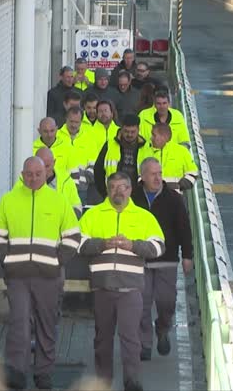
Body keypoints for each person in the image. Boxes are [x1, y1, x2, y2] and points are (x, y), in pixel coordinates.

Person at [0, 157, 81, 390]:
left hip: (48, 277)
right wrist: (7, 260)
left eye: (38, 174)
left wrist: (57, 261)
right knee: (18, 324)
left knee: (46, 326)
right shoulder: (9, 200)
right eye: (29, 174)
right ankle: (16, 373)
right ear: (22, 174)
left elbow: (73, 236)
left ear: (46, 173)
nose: (33, 178)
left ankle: (43, 374)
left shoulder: (59, 201)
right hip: (17, 276)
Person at [77, 172, 165, 391]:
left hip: (131, 289)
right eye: (114, 187)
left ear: (130, 189)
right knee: (102, 339)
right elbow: (78, 244)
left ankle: (132, 382)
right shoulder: (93, 215)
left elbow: (158, 247)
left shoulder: (144, 217)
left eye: (123, 187)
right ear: (108, 190)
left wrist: (133, 245)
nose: (118, 191)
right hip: (102, 288)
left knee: (130, 338)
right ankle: (103, 383)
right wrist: (102, 244)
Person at [131, 158, 193, 361]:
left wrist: (187, 256)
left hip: (167, 258)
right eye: (153, 174)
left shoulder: (173, 198)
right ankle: (144, 343)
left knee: (166, 301)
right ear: (142, 176)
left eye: (160, 173)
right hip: (140, 259)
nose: (158, 178)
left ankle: (163, 328)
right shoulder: (132, 197)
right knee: (142, 303)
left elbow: (184, 228)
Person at [94, 114, 146, 198]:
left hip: (139, 196)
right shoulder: (109, 145)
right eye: (126, 131)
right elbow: (98, 170)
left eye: (133, 132)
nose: (129, 135)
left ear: (138, 129)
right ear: (121, 129)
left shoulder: (146, 147)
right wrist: (105, 193)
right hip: (113, 195)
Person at [136, 124, 199, 193]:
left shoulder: (181, 151)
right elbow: (137, 174)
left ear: (164, 137)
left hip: (174, 196)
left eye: (154, 135)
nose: (151, 138)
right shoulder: (142, 151)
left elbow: (193, 173)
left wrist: (180, 186)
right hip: (150, 196)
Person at [35, 147, 82, 217]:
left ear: (54, 163)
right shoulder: (26, 182)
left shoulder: (66, 180)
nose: (44, 171)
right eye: (40, 166)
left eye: (47, 166)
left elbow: (77, 208)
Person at [33, 117, 78, 184]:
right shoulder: (31, 148)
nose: (49, 135)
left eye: (52, 131)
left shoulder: (66, 147)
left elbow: (74, 173)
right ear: (39, 131)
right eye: (45, 131)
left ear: (57, 129)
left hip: (62, 187)